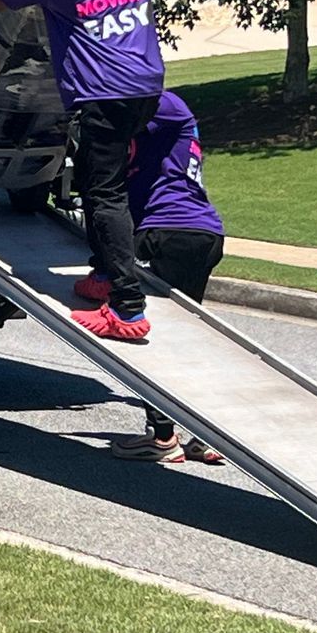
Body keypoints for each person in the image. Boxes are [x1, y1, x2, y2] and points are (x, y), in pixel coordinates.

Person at [0, 0, 201, 341]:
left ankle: (126, 308)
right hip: (145, 88)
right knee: (112, 182)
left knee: (104, 194)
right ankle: (103, 275)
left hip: (101, 94)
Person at [86, 91, 227, 464]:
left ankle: (163, 436)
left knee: (159, 344)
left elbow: (128, 109)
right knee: (184, 340)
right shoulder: (154, 139)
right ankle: (201, 435)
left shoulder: (167, 105)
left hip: (168, 230)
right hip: (199, 232)